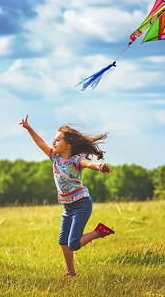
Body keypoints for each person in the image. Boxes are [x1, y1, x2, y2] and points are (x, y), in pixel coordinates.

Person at [20, 115, 115, 277]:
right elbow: (40, 142)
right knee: (63, 242)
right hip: (68, 207)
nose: (53, 143)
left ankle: (99, 231)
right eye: (54, 139)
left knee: (73, 244)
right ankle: (71, 273)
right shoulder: (55, 158)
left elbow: (89, 163)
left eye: (57, 140)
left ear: (68, 145)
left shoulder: (76, 160)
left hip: (81, 205)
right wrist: (29, 129)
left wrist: (100, 166)